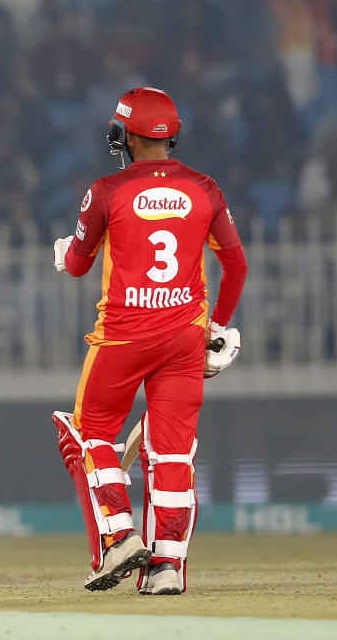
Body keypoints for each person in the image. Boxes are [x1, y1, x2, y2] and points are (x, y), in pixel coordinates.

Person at [51, 87, 247, 595]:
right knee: (174, 454)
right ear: (172, 136)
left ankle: (118, 535)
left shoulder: (107, 189)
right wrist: (218, 327)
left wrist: (63, 251)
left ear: (124, 136)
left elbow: (77, 264)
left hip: (122, 338)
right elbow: (236, 265)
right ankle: (167, 569)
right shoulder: (205, 189)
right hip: (184, 338)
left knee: (91, 429)